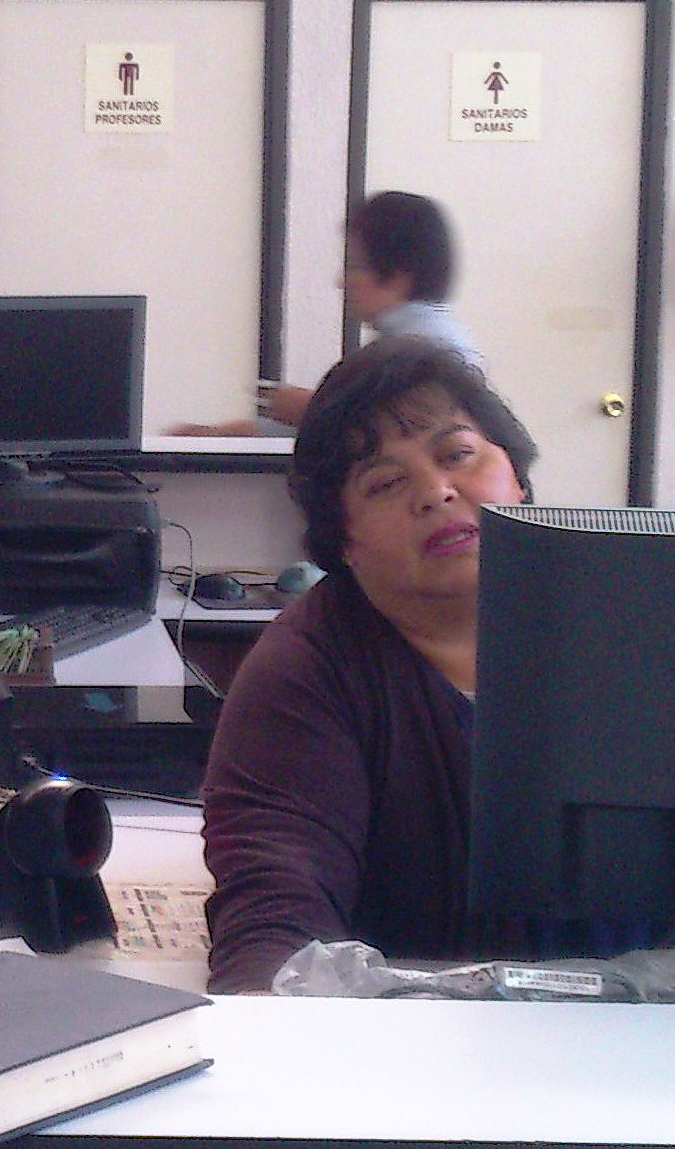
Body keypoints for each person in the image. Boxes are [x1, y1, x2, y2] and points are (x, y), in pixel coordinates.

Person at [201, 335, 537, 995]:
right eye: (386, 482)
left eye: (458, 454)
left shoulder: (639, 623)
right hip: (401, 1063)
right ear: (342, 541)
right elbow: (274, 917)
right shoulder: (304, 673)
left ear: (517, 477)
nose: (437, 492)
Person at [173, 191, 482, 437]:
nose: (340, 281)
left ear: (399, 277)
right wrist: (212, 435)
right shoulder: (409, 344)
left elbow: (407, 433)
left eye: (353, 266)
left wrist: (314, 410)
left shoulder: (432, 351)